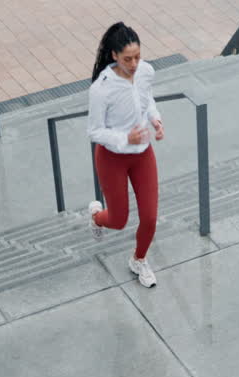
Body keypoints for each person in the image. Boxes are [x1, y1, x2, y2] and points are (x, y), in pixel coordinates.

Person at [86, 22, 165, 288]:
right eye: (128, 58)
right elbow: (94, 131)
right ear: (114, 56)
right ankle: (97, 216)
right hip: (112, 158)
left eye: (137, 57)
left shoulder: (146, 72)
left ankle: (138, 260)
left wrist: (155, 119)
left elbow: (148, 98)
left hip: (143, 155)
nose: (134, 64)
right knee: (118, 221)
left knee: (151, 217)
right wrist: (124, 138)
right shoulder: (101, 89)